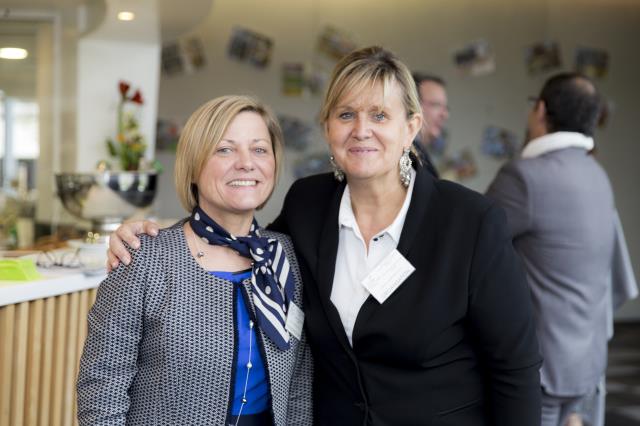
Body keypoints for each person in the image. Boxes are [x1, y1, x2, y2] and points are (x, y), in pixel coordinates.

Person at [107, 46, 542, 425]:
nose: (361, 130)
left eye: (379, 115)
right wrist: (152, 234)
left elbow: (515, 368)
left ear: (410, 128)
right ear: (328, 127)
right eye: (346, 114)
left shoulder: (469, 221)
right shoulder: (308, 206)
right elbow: (236, 240)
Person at [77, 95, 313, 426]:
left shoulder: (285, 257)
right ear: (193, 165)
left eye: (259, 149)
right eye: (224, 149)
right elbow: (101, 390)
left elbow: (298, 384)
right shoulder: (144, 256)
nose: (246, 162)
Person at [486, 73, 618, 426]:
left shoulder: (524, 177)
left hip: (539, 369)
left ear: (540, 110)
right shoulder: (598, 175)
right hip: (586, 362)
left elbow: (472, 243)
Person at [411, 73, 450, 177]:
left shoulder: (421, 156)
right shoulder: (404, 157)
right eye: (436, 104)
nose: (445, 115)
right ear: (412, 104)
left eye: (446, 108)